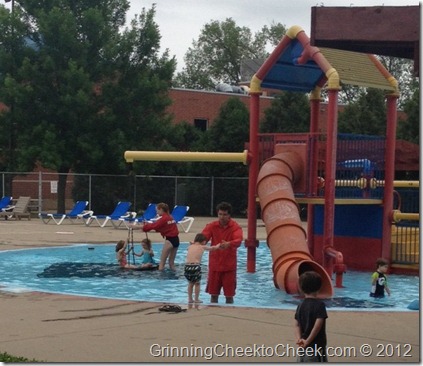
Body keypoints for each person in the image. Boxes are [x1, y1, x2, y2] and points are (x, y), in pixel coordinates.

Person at [201, 201, 243, 304]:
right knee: (213, 295)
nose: (222, 217)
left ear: (229, 215)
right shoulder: (211, 226)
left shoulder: (235, 227)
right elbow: (203, 238)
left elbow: (238, 240)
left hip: (229, 267)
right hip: (215, 265)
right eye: (220, 214)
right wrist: (197, 243)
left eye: (224, 214)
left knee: (229, 296)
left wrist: (229, 244)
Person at [294, 271, 328, 362]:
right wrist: (308, 341)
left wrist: (299, 339)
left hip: (302, 346)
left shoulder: (300, 305)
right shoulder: (320, 305)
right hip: (316, 347)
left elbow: (297, 324)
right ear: (319, 288)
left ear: (301, 288)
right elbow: (317, 326)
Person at [137, 202, 180, 271]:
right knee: (171, 263)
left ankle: (160, 278)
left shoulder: (163, 218)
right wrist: (147, 226)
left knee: (162, 263)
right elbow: (161, 227)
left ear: (161, 209)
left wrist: (140, 227)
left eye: (157, 210)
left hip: (169, 240)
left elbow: (154, 226)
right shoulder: (170, 217)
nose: (156, 212)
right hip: (176, 240)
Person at [184, 233, 221, 304]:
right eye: (205, 241)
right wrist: (218, 245)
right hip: (195, 266)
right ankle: (196, 299)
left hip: (187, 266)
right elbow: (213, 248)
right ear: (203, 241)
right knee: (197, 283)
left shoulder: (190, 247)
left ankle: (190, 299)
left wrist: (192, 243)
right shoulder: (202, 247)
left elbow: (189, 248)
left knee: (190, 283)